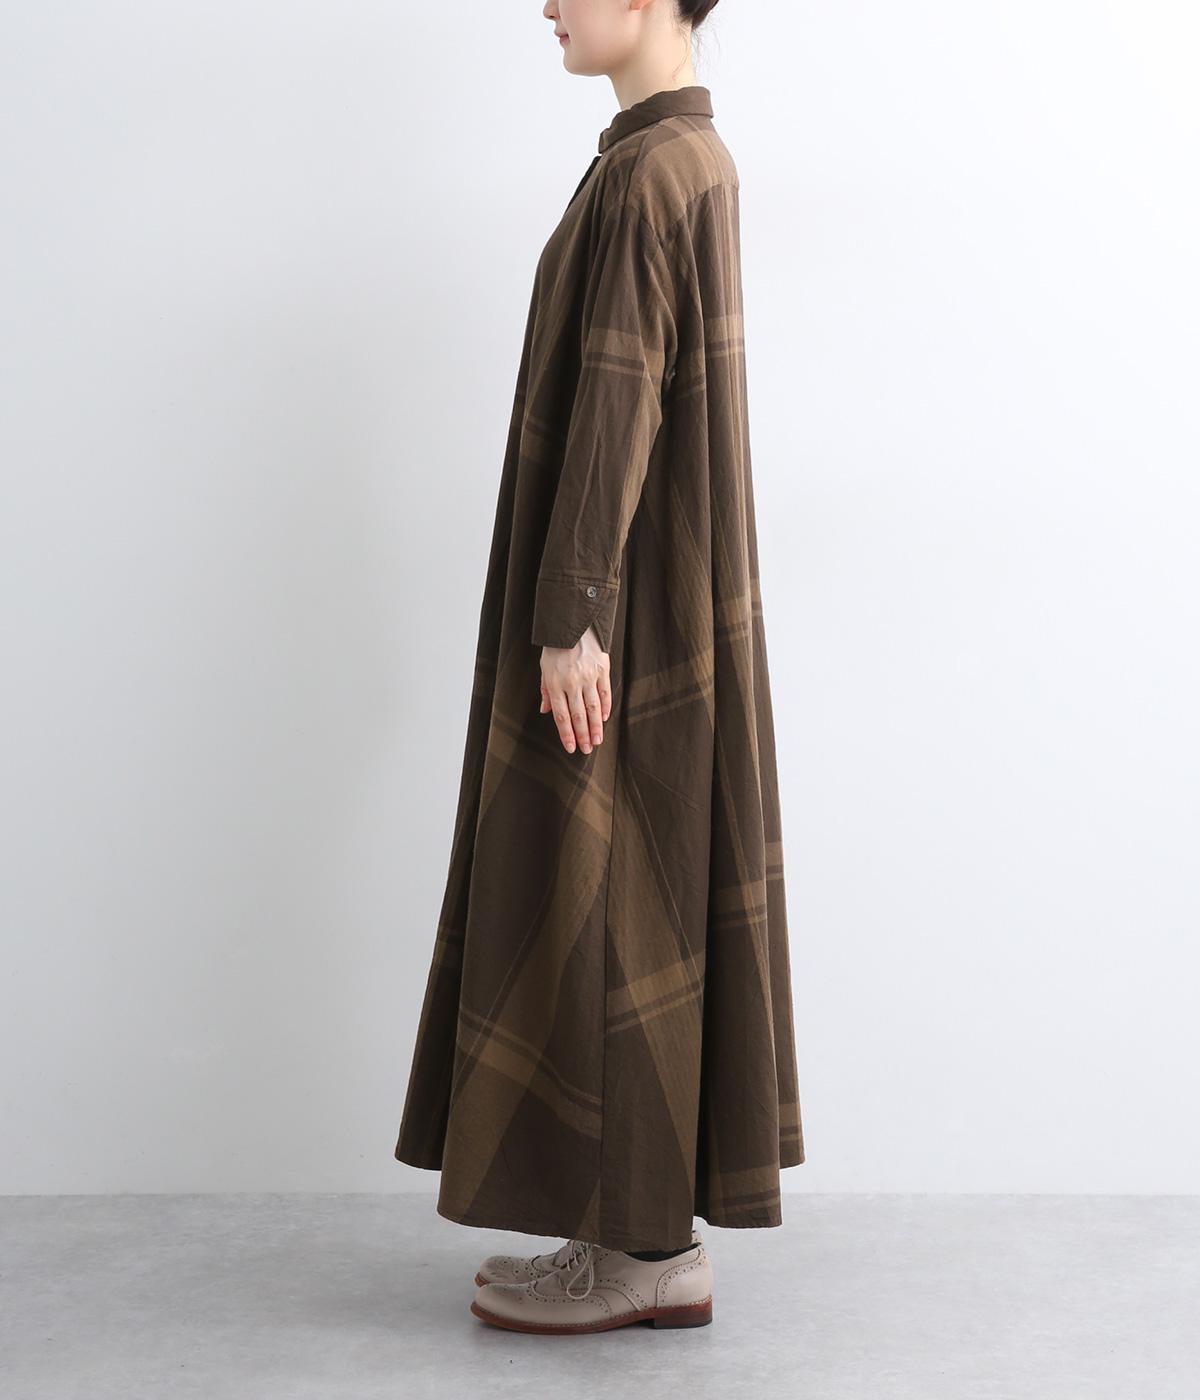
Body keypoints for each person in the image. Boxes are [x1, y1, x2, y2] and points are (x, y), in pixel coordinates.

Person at [394, 0, 805, 1335]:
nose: (547, 4)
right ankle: (632, 1236)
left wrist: (574, 612)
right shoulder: (680, 157)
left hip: (623, 611)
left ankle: (644, 1251)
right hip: (666, 601)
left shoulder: (650, 171)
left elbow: (621, 393)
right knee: (638, 893)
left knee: (612, 900)